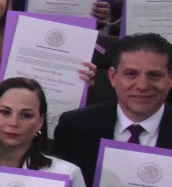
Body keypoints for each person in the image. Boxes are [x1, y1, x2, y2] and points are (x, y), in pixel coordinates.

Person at [53, 33, 172, 177]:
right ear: (113, 77)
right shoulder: (75, 126)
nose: (142, 85)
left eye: (154, 75)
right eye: (131, 74)